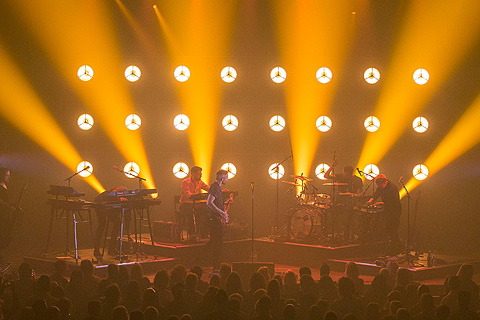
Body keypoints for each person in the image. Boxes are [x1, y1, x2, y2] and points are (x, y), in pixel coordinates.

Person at [324, 159, 363, 241]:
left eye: (347, 174)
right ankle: (334, 234)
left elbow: (360, 194)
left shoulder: (357, 180)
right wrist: (332, 166)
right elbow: (326, 176)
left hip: (351, 203)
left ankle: (347, 236)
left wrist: (352, 195)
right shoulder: (340, 176)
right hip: (339, 201)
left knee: (348, 220)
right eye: (345, 173)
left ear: (350, 173)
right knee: (331, 215)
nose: (345, 175)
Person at [367, 174, 402, 254]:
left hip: (394, 211)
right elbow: (376, 193)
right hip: (388, 210)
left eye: (380, 185)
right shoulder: (380, 186)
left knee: (392, 230)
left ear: (384, 182)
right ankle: (396, 247)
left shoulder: (392, 188)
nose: (379, 187)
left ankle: (397, 248)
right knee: (389, 229)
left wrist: (380, 203)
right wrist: (371, 200)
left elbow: (392, 202)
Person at [93, 186, 130, 259]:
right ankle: (97, 250)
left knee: (117, 222)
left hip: (108, 207)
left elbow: (127, 215)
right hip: (100, 205)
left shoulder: (123, 195)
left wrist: (128, 232)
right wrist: (118, 198)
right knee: (102, 226)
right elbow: (109, 196)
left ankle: (111, 248)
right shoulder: (110, 193)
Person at [205, 169, 229, 272]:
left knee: (214, 242)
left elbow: (216, 203)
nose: (227, 180)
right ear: (222, 178)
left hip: (216, 218)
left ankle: (201, 261)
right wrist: (222, 213)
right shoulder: (214, 187)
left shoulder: (217, 188)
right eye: (226, 178)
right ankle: (216, 267)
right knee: (217, 243)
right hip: (214, 219)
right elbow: (209, 203)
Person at [180, 166, 210, 241]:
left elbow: (208, 188)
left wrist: (219, 191)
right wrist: (197, 196)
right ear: (193, 174)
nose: (200, 176)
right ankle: (192, 234)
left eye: (200, 174)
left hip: (196, 205)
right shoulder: (185, 182)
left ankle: (204, 233)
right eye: (199, 174)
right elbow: (187, 194)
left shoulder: (200, 182)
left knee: (208, 211)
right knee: (190, 213)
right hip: (185, 204)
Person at [0, 167, 20, 260]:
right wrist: (11, 204)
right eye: (7, 176)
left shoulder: (4, 186)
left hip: (6, 215)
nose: (9, 178)